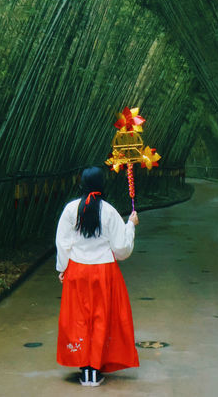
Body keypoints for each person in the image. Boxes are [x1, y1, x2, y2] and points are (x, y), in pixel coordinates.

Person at [56, 166, 140, 387]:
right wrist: (130, 225)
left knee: (80, 319)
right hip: (104, 271)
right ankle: (94, 369)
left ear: (81, 184)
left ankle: (85, 369)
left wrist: (63, 269)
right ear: (102, 185)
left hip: (77, 271)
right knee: (101, 319)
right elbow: (121, 249)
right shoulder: (110, 211)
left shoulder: (70, 209)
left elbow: (63, 244)